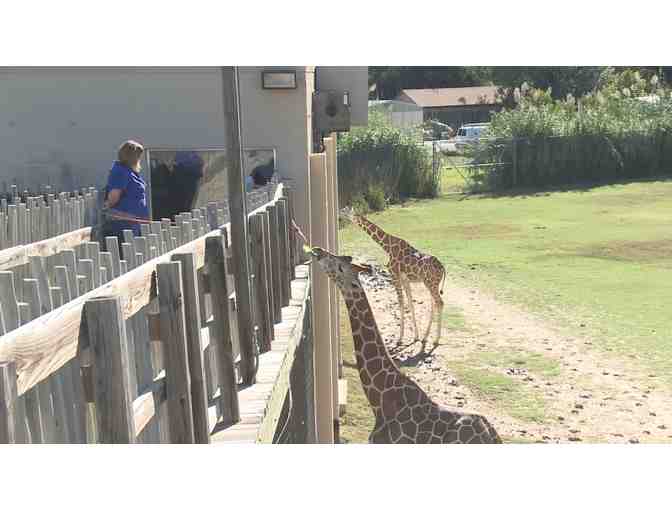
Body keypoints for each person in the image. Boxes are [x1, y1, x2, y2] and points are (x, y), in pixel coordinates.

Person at [102, 140, 149, 243]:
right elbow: (113, 196)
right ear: (131, 156)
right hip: (124, 224)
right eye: (138, 156)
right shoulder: (120, 171)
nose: (139, 160)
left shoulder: (129, 171)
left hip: (133, 223)